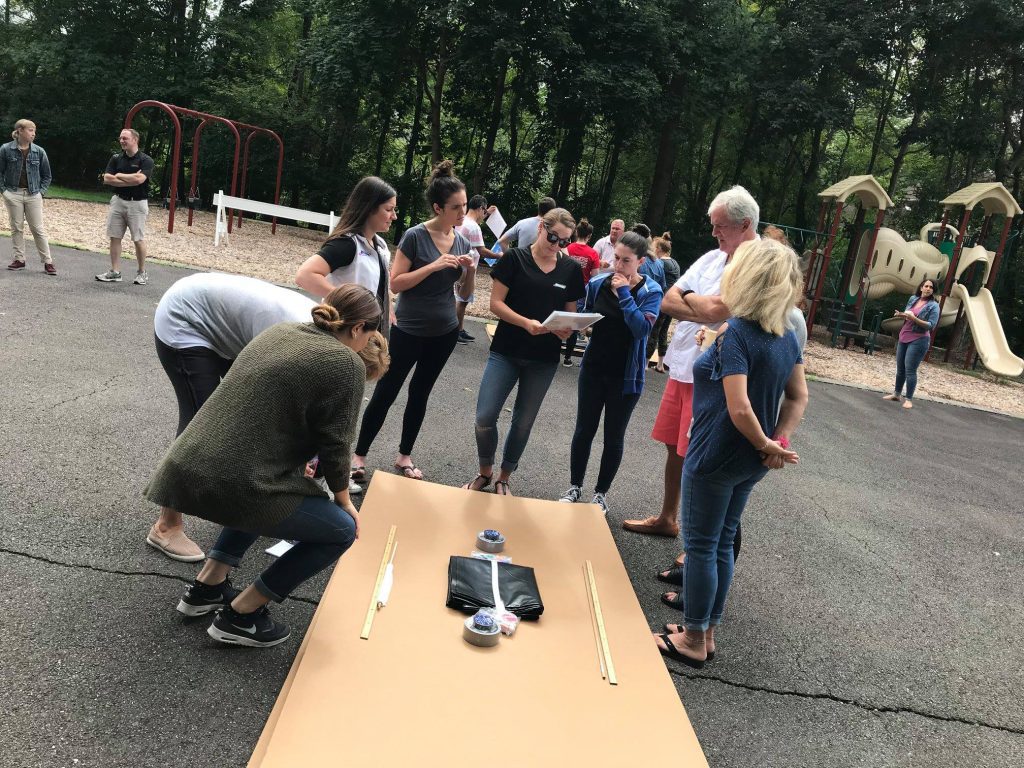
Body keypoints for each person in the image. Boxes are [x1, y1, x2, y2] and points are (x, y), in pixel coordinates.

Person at [144, 284, 388, 647]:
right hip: (233, 482)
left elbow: (272, 412)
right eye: (370, 334)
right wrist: (344, 501)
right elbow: (338, 444)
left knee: (272, 488)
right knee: (341, 531)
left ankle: (206, 588)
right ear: (358, 329)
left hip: (184, 470)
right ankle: (242, 615)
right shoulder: (346, 362)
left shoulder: (282, 332)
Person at [653, 237, 808, 668]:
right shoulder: (785, 333)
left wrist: (766, 442)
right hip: (750, 461)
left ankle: (693, 639)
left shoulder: (739, 332)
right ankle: (705, 630)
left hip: (717, 450)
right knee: (721, 541)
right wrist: (776, 442)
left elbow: (738, 405)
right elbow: (798, 397)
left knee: (702, 545)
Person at [148, 272, 364, 562]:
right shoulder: (295, 335)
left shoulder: (320, 333)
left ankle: (230, 500)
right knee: (204, 420)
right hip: (187, 319)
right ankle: (166, 526)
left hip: (222, 324)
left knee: (242, 419)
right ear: (356, 333)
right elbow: (279, 406)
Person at [622, 185, 759, 538]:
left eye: (721, 226)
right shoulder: (714, 257)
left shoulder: (756, 261)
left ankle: (698, 542)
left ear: (745, 225)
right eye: (713, 225)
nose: (714, 233)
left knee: (704, 454)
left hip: (716, 372)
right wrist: (704, 305)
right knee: (675, 445)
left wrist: (694, 301)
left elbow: (718, 309)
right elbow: (668, 300)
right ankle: (669, 518)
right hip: (684, 364)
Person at [352, 160, 473, 482]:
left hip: (444, 331)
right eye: (456, 207)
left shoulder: (461, 241)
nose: (463, 213)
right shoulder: (415, 236)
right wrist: (433, 266)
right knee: (387, 391)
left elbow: (464, 292)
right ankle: (359, 456)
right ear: (438, 207)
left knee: (421, 393)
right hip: (408, 329)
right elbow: (396, 283)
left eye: (464, 205)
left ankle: (404, 455)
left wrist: (470, 271)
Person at [462, 208, 584, 496]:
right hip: (506, 349)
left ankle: (504, 476)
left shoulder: (570, 269)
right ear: (541, 227)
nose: (557, 246)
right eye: (553, 238)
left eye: (564, 242)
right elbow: (495, 304)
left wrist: (568, 329)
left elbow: (570, 314)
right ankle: (485, 471)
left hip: (543, 358)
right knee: (484, 417)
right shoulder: (515, 258)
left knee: (524, 421)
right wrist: (525, 323)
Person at [559, 231, 663, 513]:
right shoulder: (597, 283)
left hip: (626, 375)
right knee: (584, 429)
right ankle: (574, 486)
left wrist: (625, 293)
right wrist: (577, 323)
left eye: (626, 261)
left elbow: (641, 329)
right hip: (594, 367)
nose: (618, 266)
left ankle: (601, 494)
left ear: (640, 261)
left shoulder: (651, 291)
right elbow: (585, 311)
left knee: (613, 435)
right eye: (616, 258)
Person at [295, 176, 397, 338]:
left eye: (394, 210)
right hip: (344, 333)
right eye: (389, 209)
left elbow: (379, 284)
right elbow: (305, 275)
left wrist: (388, 304)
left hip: (369, 333)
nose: (394, 216)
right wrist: (350, 304)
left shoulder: (381, 246)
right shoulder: (347, 244)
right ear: (370, 208)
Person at [95, 128, 154, 285]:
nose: (122, 141)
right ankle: (115, 271)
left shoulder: (145, 160)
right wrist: (129, 178)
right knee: (115, 236)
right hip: (118, 201)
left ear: (135, 140)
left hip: (138, 203)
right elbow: (107, 178)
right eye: (120, 138)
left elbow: (139, 180)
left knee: (138, 238)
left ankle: (142, 272)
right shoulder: (116, 158)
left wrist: (119, 176)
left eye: (125, 138)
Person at [1, 119, 55, 274]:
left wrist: (41, 192)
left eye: (34, 131)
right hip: (13, 193)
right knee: (16, 227)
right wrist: (4, 192)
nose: (34, 134)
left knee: (38, 229)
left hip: (33, 194)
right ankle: (19, 259)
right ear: (20, 131)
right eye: (31, 130)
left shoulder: (39, 151)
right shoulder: (5, 149)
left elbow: (47, 176)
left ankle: (48, 262)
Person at [883, 278, 940, 410]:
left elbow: (931, 326)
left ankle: (908, 399)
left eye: (931, 287)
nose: (928, 289)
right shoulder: (913, 299)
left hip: (919, 340)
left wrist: (915, 319)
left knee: (910, 370)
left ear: (933, 291)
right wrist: (901, 315)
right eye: (925, 286)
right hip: (904, 336)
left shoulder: (934, 306)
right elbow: (908, 316)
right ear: (921, 288)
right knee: (900, 369)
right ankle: (896, 394)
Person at [455, 194, 500, 344]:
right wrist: (498, 255)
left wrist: (488, 213)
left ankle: (459, 329)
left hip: (460, 266)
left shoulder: (463, 221)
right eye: (484, 211)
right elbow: (482, 251)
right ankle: (455, 331)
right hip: (467, 270)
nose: (484, 215)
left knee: (461, 300)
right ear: (480, 208)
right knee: (462, 301)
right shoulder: (474, 227)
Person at [562, 217, 602, 366]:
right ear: (590, 236)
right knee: (573, 323)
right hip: (580, 291)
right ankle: (567, 358)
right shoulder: (592, 253)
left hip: (563, 286)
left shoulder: (567, 248)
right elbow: (595, 277)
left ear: (576, 232)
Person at [646, 233, 681, 372]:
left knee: (654, 330)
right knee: (664, 331)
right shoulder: (675, 263)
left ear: (659, 248)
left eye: (654, 247)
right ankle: (660, 364)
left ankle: (646, 362)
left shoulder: (660, 263)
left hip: (662, 301)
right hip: (673, 302)